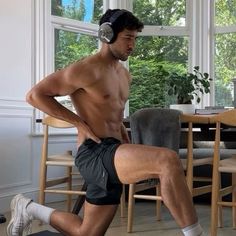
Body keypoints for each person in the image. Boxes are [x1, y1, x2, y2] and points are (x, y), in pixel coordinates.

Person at [7, 9, 205, 236]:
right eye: (127, 38)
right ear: (106, 34)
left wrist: (124, 134)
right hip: (94, 151)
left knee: (86, 232)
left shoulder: (123, 74)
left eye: (134, 39)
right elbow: (35, 95)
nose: (132, 45)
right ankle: (196, 234)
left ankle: (28, 208)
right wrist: (79, 124)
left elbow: (112, 111)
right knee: (167, 159)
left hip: (113, 150)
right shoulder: (85, 69)